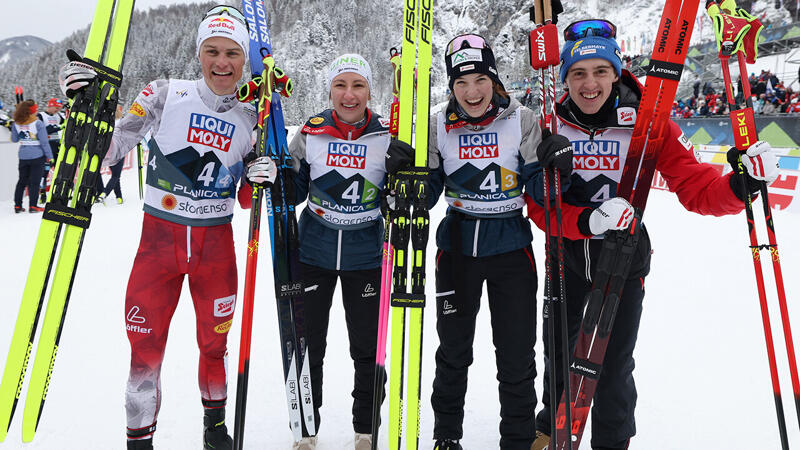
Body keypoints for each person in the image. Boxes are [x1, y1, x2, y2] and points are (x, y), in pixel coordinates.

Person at [527, 19, 779, 450]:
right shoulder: (549, 124)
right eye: (578, 73)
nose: (590, 84)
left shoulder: (647, 120)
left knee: (613, 365)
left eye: (600, 71)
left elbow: (695, 185)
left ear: (616, 71)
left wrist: (739, 186)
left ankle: (613, 441)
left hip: (622, 261)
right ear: (565, 78)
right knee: (558, 355)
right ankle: (552, 428)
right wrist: (585, 220)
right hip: (566, 258)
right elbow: (538, 207)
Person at [59, 5, 267, 450]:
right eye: (212, 50)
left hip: (216, 252)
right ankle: (139, 441)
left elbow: (250, 201)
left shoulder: (253, 118)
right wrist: (85, 107)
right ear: (199, 53)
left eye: (233, 53)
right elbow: (111, 150)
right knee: (145, 352)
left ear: (244, 58)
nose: (222, 62)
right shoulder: (163, 93)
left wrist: (260, 172)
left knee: (214, 349)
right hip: (158, 250)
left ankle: (215, 428)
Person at [423, 34, 567, 450]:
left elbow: (542, 190)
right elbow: (429, 191)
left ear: (493, 79)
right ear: (450, 86)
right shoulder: (436, 123)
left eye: (479, 79)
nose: (471, 91)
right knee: (453, 351)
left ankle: (518, 439)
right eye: (460, 82)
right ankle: (446, 436)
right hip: (456, 249)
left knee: (517, 354)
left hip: (510, 248)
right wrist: (409, 178)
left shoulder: (521, 120)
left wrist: (557, 170)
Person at [275, 53, 394, 450]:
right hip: (314, 251)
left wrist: (404, 176)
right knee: (310, 345)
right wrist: (275, 173)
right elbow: (292, 190)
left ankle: (365, 428)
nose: (349, 94)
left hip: (366, 254)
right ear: (329, 90)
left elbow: (404, 190)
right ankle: (306, 429)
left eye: (357, 85)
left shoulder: (384, 134)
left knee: (366, 346)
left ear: (369, 91)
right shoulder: (311, 132)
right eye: (340, 86)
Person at [10, 99, 53, 213]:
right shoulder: (37, 123)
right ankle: (33, 206)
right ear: (31, 111)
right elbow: (44, 142)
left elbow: (14, 139)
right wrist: (50, 156)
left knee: (22, 181)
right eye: (36, 109)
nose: (37, 111)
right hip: (37, 156)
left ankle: (18, 206)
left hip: (23, 156)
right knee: (34, 182)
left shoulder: (16, 123)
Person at [97, 104, 126, 204]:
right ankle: (104, 193)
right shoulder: (122, 121)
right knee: (116, 175)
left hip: (106, 150)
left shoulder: (105, 120)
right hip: (119, 150)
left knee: (98, 171)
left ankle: (118, 196)